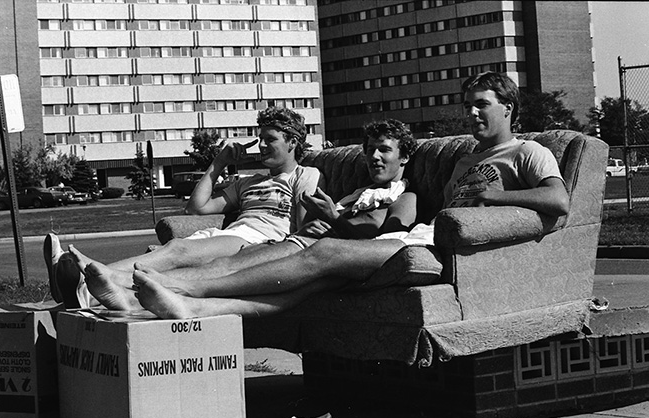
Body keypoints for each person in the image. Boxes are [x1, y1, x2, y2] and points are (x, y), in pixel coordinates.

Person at [129, 71, 570, 319]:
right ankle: (192, 308)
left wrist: (494, 200)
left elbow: (558, 202)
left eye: (483, 104)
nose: (472, 112)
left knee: (319, 254)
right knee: (313, 282)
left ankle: (181, 285)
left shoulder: (528, 151)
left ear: (508, 108)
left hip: (439, 246)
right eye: (468, 104)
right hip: (422, 235)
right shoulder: (463, 160)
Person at [66, 119, 421, 310]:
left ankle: (136, 290)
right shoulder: (357, 193)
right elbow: (197, 208)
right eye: (370, 150)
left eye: (384, 150)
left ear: (403, 157)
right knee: (223, 272)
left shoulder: (404, 194)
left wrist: (332, 216)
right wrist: (219, 162)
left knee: (219, 269)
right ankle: (129, 295)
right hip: (307, 245)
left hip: (312, 247)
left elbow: (385, 235)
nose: (374, 157)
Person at [45, 106, 322, 308]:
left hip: (258, 243)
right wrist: (219, 162)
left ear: (293, 142)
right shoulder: (250, 182)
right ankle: (84, 290)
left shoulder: (305, 175)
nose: (261, 145)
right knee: (172, 258)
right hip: (235, 235)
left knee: (177, 249)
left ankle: (84, 280)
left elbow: (301, 230)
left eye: (270, 139)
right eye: (260, 138)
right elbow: (197, 208)